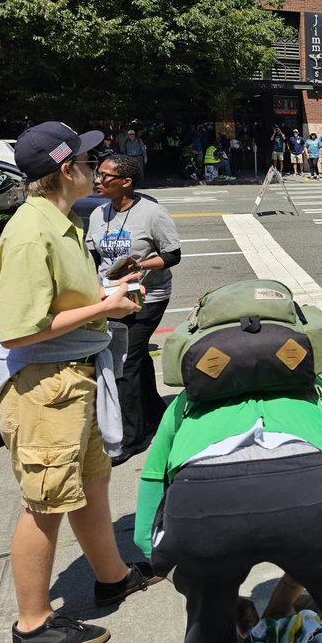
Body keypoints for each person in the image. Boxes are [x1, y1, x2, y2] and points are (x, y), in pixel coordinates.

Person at [135, 285, 322, 643]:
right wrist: (291, 590)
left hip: (202, 509)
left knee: (208, 638)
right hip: (313, 494)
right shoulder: (315, 391)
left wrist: (215, 596)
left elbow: (146, 534)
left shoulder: (184, 406)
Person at [0, 123, 157, 643]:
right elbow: (16, 327)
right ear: (66, 171)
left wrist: (108, 289)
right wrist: (105, 308)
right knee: (47, 502)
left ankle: (111, 574)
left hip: (72, 377)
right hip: (44, 386)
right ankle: (33, 623)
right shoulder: (32, 231)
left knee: (91, 485)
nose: (96, 165)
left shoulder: (59, 221)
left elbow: (62, 297)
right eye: (88, 159)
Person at [86, 154, 181, 464]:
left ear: (125, 182)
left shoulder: (152, 214)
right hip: (110, 299)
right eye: (96, 175)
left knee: (124, 362)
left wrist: (139, 265)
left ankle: (130, 437)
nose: (96, 180)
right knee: (134, 359)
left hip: (147, 297)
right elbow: (92, 254)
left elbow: (172, 255)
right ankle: (153, 412)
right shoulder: (99, 214)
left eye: (104, 176)